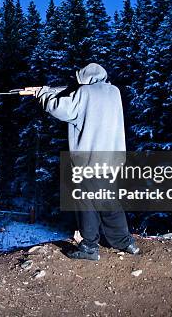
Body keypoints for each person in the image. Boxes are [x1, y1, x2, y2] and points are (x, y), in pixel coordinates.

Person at [35, 62, 140, 260]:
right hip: (112, 158)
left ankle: (90, 246)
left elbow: (60, 109)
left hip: (90, 159)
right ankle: (125, 242)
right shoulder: (114, 92)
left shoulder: (85, 93)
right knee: (107, 199)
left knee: (86, 201)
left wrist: (44, 94)